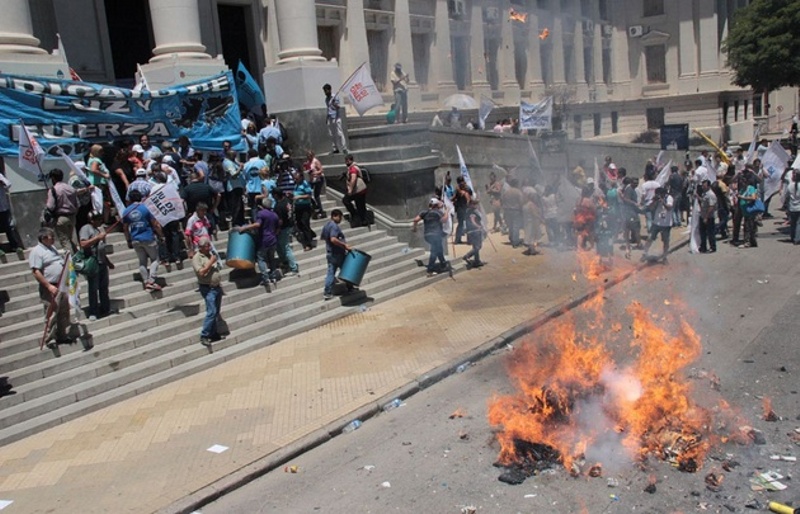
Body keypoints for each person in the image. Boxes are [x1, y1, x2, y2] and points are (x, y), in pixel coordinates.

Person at [29, 227, 72, 350]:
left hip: (61, 284)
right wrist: (48, 286)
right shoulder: (37, 252)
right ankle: (49, 338)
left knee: (64, 311)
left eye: (53, 236)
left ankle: (62, 335)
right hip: (50, 286)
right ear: (43, 238)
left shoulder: (52, 248)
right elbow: (36, 271)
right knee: (51, 313)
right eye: (50, 237)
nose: (53, 239)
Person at [122, 189, 163, 291]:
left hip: (135, 238)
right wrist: (161, 235)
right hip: (148, 237)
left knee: (142, 261)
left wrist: (128, 240)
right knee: (155, 259)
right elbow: (155, 223)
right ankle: (151, 280)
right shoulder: (145, 208)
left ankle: (145, 281)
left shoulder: (126, 211)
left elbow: (125, 228)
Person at [236, 198, 281, 287]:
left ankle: (265, 278)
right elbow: (278, 228)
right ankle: (273, 276)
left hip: (264, 240)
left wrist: (245, 228)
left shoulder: (261, 214)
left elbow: (257, 224)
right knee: (271, 258)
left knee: (261, 258)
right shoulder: (275, 215)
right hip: (273, 240)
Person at [79, 212, 114, 321]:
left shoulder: (99, 230)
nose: (99, 221)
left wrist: (108, 262)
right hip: (92, 262)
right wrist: (97, 238)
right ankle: (93, 311)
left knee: (104, 287)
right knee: (93, 289)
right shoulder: (86, 229)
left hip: (102, 262)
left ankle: (105, 308)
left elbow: (101, 248)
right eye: (97, 219)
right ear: (91, 220)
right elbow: (83, 244)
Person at [192, 236, 223, 347]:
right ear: (201, 247)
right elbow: (201, 272)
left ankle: (213, 333)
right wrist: (211, 262)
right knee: (211, 311)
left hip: (216, 287)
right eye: (207, 246)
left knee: (216, 311)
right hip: (207, 288)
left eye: (209, 245)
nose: (209, 247)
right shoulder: (197, 258)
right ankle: (204, 335)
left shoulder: (209, 254)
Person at [412, 198, 448, 276]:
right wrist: (446, 211)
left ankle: (443, 264)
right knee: (434, 251)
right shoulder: (438, 212)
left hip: (427, 235)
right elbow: (444, 220)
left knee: (439, 249)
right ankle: (430, 270)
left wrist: (415, 229)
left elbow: (415, 220)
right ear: (436, 205)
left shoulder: (424, 212)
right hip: (436, 235)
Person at [321, 209, 352, 300]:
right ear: (335, 216)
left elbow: (323, 237)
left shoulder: (327, 225)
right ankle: (350, 288)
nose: (341, 219)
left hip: (330, 253)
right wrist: (344, 245)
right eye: (340, 217)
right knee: (346, 270)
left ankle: (327, 292)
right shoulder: (334, 226)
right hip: (337, 253)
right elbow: (333, 239)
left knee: (331, 273)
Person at [46, 168, 79, 252]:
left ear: (53, 178)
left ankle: (71, 262)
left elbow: (50, 206)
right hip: (72, 217)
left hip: (60, 218)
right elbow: (77, 204)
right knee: (70, 239)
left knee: (65, 241)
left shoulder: (53, 190)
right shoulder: (70, 188)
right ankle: (78, 257)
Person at [0, 157, 25, 260]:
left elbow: (8, 184)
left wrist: (2, 183)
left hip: (3, 207)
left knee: (8, 227)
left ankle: (14, 246)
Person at [641, 187, 674, 263]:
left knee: (666, 241)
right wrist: (654, 201)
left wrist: (663, 202)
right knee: (650, 238)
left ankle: (665, 257)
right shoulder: (655, 199)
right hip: (656, 223)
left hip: (666, 224)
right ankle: (644, 253)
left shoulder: (669, 198)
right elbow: (650, 208)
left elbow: (669, 208)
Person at [273, 188, 300, 276]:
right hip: (289, 225)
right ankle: (285, 262)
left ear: (276, 195)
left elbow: (280, 221)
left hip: (283, 228)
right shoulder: (287, 201)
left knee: (286, 247)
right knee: (280, 246)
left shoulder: (278, 206)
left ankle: (294, 267)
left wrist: (277, 230)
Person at [292, 168, 316, 251]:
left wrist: (299, 197)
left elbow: (309, 195)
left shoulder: (305, 184)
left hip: (305, 207)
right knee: (299, 224)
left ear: (301, 178)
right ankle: (311, 234)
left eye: (297, 178)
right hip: (298, 207)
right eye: (295, 178)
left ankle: (308, 244)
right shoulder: (296, 185)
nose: (296, 180)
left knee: (305, 223)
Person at [342, 154, 368, 226]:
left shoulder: (353, 168)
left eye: (347, 161)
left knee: (346, 200)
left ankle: (355, 214)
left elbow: (353, 179)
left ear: (350, 160)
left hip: (357, 190)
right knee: (360, 205)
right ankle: (363, 220)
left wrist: (350, 190)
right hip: (361, 189)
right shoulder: (353, 167)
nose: (346, 163)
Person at [323, 83, 348, 154]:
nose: (325, 93)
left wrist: (334, 103)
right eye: (324, 91)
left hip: (336, 117)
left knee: (339, 133)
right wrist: (327, 117)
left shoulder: (335, 97)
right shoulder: (326, 99)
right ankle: (335, 148)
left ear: (330, 90)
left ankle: (344, 148)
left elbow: (338, 107)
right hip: (330, 117)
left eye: (326, 91)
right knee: (332, 134)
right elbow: (328, 109)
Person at [462, 198, 486, 267]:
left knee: (475, 246)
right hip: (475, 231)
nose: (476, 205)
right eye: (475, 204)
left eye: (476, 204)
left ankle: (477, 261)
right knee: (478, 246)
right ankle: (467, 255)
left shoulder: (468, 211)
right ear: (471, 204)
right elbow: (472, 220)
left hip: (471, 231)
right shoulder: (472, 212)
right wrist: (478, 226)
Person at [303, 150, 326, 219]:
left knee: (316, 195)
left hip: (318, 179)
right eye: (307, 156)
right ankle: (315, 205)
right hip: (312, 180)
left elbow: (321, 170)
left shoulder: (315, 161)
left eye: (309, 156)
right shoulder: (308, 162)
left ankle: (320, 209)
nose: (308, 157)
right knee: (308, 192)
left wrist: (315, 173)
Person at [698, 180, 717, 253]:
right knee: (702, 233)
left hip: (709, 217)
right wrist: (698, 197)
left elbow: (711, 207)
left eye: (704, 185)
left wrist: (706, 217)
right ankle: (703, 247)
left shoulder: (711, 195)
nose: (703, 187)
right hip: (702, 215)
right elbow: (703, 201)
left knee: (710, 233)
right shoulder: (704, 193)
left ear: (708, 186)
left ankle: (712, 247)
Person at [453, 176, 473, 244]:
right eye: (459, 182)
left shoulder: (467, 188)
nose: (461, 183)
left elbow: (469, 196)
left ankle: (470, 239)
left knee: (468, 223)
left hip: (467, 207)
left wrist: (460, 191)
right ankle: (457, 239)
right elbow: (455, 197)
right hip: (460, 208)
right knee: (460, 224)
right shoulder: (457, 189)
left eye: (462, 181)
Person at [786, 169, 800, 244]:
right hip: (799, 207)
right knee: (798, 223)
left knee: (793, 223)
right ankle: (797, 238)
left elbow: (786, 196)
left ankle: (793, 236)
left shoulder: (790, 186)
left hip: (792, 207)